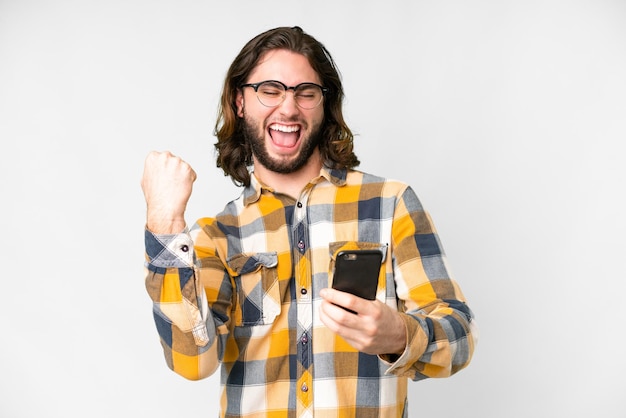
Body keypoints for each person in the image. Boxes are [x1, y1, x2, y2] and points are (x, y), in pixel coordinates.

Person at [141, 26, 477, 417]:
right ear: (240, 102)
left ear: (323, 104)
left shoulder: (389, 204)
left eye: (306, 92)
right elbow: (192, 361)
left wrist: (399, 334)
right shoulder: (217, 236)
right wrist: (165, 224)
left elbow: (460, 337)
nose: (288, 108)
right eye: (270, 89)